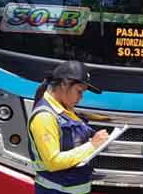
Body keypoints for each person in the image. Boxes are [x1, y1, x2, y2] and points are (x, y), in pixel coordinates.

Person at [29, 61, 109, 194]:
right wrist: (92, 145)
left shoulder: (65, 111)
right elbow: (53, 162)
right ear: (64, 84)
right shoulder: (44, 117)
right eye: (79, 91)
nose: (81, 98)